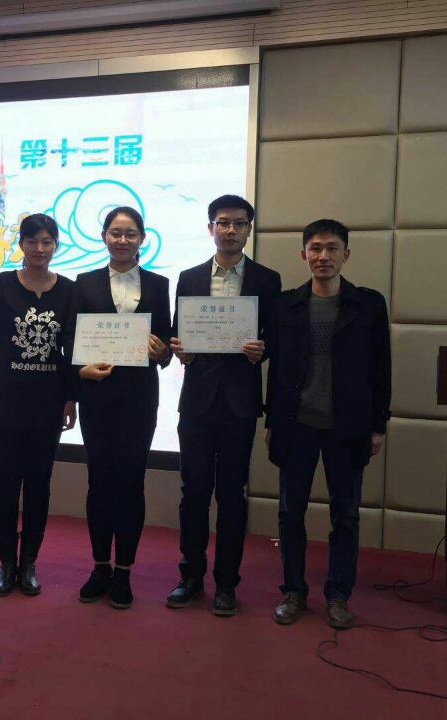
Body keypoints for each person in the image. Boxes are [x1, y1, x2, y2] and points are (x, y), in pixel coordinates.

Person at [264, 218, 391, 628]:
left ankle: (338, 595)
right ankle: (293, 591)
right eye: (315, 248)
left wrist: (378, 425)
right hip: (295, 423)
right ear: (303, 255)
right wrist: (271, 420)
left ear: (346, 254)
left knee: (345, 515)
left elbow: (381, 367)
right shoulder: (286, 305)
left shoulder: (368, 304)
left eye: (332, 248)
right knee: (290, 513)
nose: (323, 256)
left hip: (347, 425)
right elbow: (277, 369)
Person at [165, 194, 281, 616]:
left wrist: (261, 351)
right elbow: (179, 332)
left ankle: (227, 583)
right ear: (210, 227)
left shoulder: (267, 280)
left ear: (249, 229)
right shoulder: (190, 277)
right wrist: (180, 349)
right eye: (223, 222)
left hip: (240, 403)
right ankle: (190, 577)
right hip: (197, 401)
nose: (230, 230)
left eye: (239, 223)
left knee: (232, 494)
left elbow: (275, 339)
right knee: (193, 492)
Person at [67, 206, 172, 610]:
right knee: (99, 482)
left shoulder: (159, 284)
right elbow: (72, 338)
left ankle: (124, 570)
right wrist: (80, 371)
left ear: (142, 238)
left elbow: (166, 344)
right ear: (104, 237)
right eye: (115, 232)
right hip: (97, 397)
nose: (122, 240)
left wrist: (162, 352)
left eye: (130, 233)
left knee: (131, 482)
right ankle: (100, 567)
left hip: (139, 400)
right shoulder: (84, 282)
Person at [0, 213, 76, 598]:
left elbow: (71, 350)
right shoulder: (1, 284)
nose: (39, 249)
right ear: (21, 244)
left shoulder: (69, 290)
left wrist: (70, 398)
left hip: (48, 402)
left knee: (38, 484)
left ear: (56, 246)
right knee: (5, 482)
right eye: (32, 241)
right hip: (4, 400)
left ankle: (29, 563)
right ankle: (6, 563)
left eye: (47, 242)